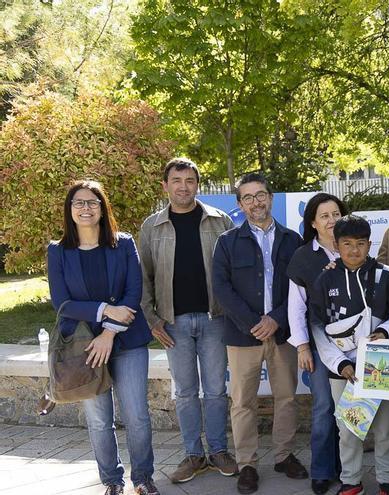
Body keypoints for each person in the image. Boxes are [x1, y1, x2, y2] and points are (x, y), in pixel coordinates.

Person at [47, 180, 159, 495]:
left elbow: (133, 293)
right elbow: (63, 304)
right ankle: (112, 481)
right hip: (85, 347)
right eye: (78, 203)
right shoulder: (58, 251)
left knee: (137, 415)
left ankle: (143, 479)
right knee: (99, 420)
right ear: (70, 210)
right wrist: (105, 311)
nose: (86, 208)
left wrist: (109, 332)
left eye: (92, 202)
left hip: (126, 341)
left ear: (102, 207)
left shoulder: (123, 244)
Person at [139, 158, 237, 483]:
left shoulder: (219, 221)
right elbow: (143, 279)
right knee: (184, 393)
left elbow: (234, 270)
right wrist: (152, 321)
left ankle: (219, 451)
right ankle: (193, 455)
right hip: (172, 324)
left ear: (198, 184)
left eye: (190, 180)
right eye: (176, 180)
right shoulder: (151, 226)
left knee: (215, 391)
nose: (183, 186)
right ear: (165, 185)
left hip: (215, 320)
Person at [212, 172, 307, 494]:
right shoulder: (226, 242)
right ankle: (247, 463)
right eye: (248, 197)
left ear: (271, 197)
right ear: (240, 204)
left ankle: (284, 455)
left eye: (261, 195)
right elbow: (221, 289)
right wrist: (254, 322)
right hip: (243, 335)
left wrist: (276, 319)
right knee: (242, 402)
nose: (256, 202)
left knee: (287, 397)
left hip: (282, 334)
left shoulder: (292, 240)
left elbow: (300, 287)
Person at [309, 214, 389, 495]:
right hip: (344, 372)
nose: (354, 250)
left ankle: (388, 481)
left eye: (360, 243)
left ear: (369, 244)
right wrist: (341, 364)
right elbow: (317, 327)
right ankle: (351, 481)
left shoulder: (386, 275)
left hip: (380, 367)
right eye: (346, 244)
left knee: (384, 430)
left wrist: (385, 331)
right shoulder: (325, 280)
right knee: (348, 431)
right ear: (336, 245)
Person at [286, 193, 348, 495]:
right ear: (312, 222)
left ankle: (348, 469)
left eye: (336, 213)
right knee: (324, 407)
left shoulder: (355, 249)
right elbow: (295, 306)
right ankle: (323, 471)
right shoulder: (303, 257)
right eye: (324, 215)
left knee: (350, 408)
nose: (331, 220)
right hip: (319, 345)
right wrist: (301, 346)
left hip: (353, 346)